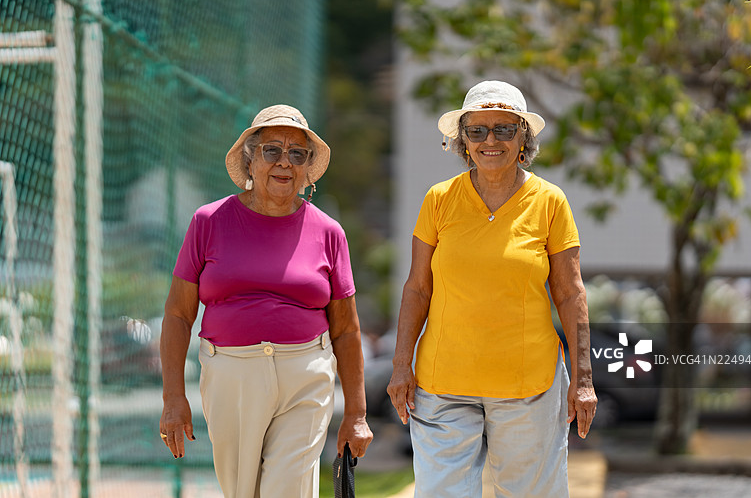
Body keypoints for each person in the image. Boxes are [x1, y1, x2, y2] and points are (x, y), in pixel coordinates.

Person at [387, 81, 597, 497]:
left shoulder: (550, 201)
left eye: (504, 129)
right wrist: (400, 364)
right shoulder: (439, 200)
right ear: (463, 141)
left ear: (523, 137)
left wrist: (583, 376)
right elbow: (417, 289)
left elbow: (571, 293)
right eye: (477, 131)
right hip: (442, 381)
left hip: (529, 386)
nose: (490, 140)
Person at [159, 105, 373, 498]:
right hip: (230, 375)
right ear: (250, 160)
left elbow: (346, 329)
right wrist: (173, 398)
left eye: (297, 154)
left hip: (306, 373)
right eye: (272, 150)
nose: (285, 163)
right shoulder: (209, 221)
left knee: (286, 490)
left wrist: (356, 415)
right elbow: (176, 314)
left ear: (308, 168)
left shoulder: (329, 232)